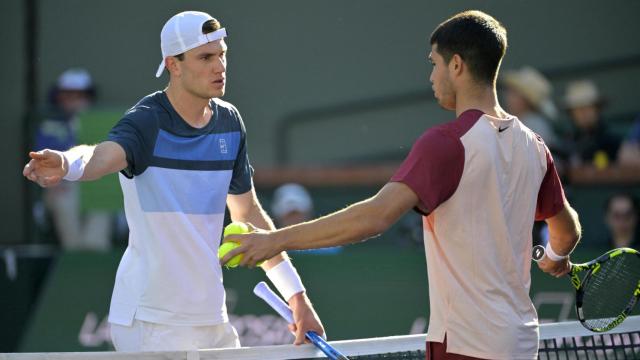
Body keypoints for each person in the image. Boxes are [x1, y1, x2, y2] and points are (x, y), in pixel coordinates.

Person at [223, 10, 581, 359]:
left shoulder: (448, 142)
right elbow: (567, 230)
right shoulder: (535, 146)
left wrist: (274, 240)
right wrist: (555, 258)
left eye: (434, 63)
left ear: (456, 65)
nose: (431, 76)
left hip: (466, 346)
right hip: (521, 344)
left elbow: (375, 217)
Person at [23, 11, 323, 352]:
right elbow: (101, 156)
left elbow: (248, 213)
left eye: (222, 54)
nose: (219, 66)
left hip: (212, 319)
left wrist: (297, 297)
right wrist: (65, 162)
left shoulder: (230, 122)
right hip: (149, 323)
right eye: (206, 57)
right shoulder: (146, 121)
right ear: (174, 65)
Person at [33, 68, 112, 251]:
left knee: (103, 201)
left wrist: (82, 121)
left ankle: (94, 256)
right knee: (64, 198)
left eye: (79, 96)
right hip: (60, 184)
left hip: (96, 183)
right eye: (67, 95)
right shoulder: (49, 126)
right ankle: (73, 255)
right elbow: (42, 161)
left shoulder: (100, 124)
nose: (72, 101)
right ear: (58, 97)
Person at [563, 80, 621, 168]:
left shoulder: (612, 141)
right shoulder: (569, 142)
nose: (583, 113)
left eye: (587, 107)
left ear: (597, 109)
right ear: (572, 114)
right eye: (578, 109)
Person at [501, 66, 560, 151]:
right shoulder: (516, 122)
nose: (507, 97)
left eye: (513, 93)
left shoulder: (535, 125)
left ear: (525, 100)